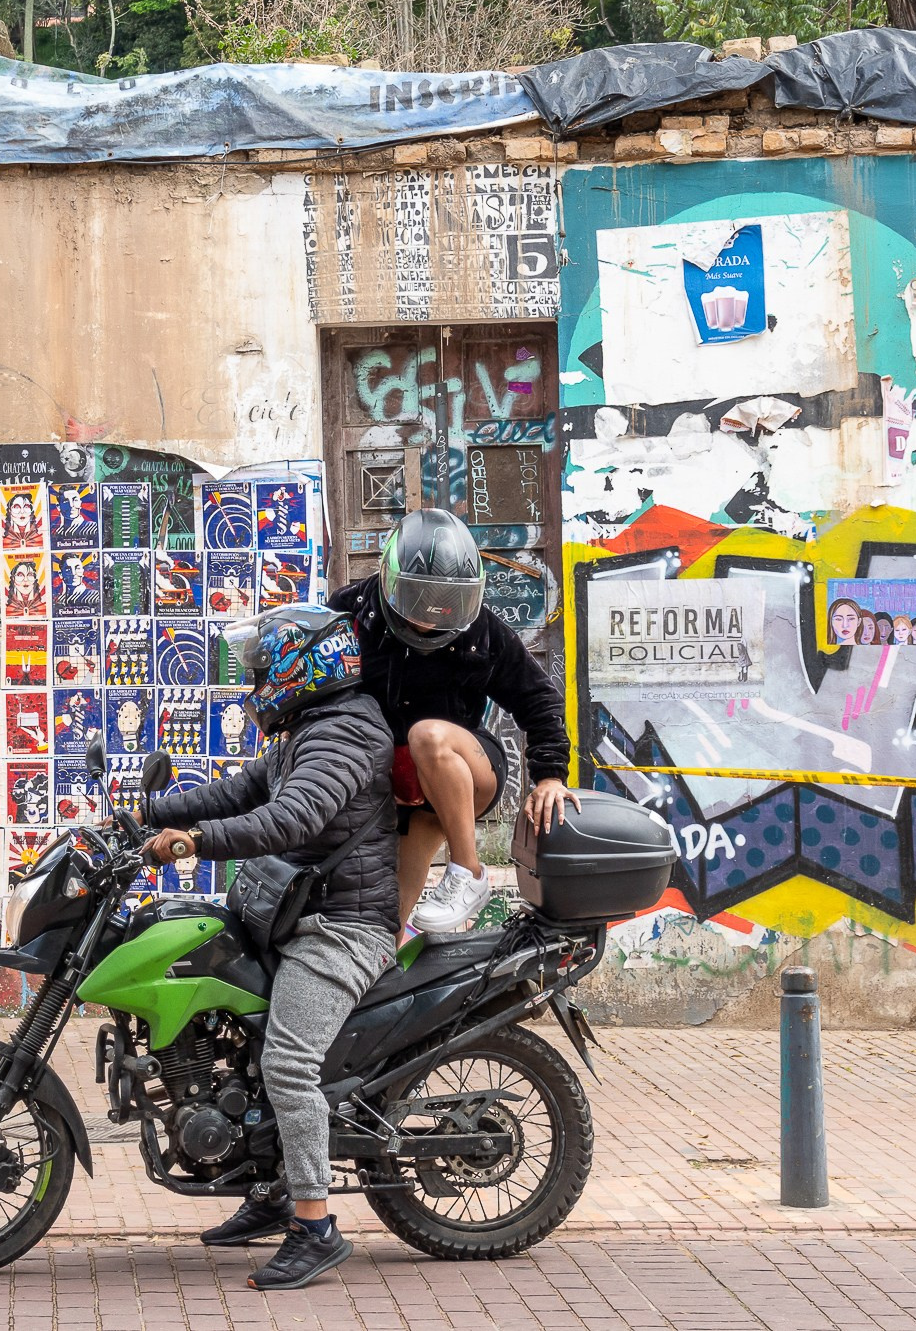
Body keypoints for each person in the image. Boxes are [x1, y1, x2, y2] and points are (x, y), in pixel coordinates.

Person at [142, 604, 397, 1292]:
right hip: (296, 915)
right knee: (236, 1036)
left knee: (286, 1061)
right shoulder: (303, 730)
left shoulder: (345, 732)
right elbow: (240, 791)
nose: (255, 681)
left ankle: (314, 1224)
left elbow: (291, 817)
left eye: (262, 669)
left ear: (301, 667)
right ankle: (274, 1187)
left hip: (343, 926)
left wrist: (195, 842)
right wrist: (148, 813)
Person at [327, 509, 576, 935]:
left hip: (465, 769)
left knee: (428, 734)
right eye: (417, 597)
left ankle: (468, 871)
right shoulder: (349, 612)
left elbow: (537, 697)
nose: (429, 616)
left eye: (444, 601)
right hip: (398, 790)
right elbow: (312, 691)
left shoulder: (483, 630)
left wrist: (550, 776)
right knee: (382, 930)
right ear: (389, 577)